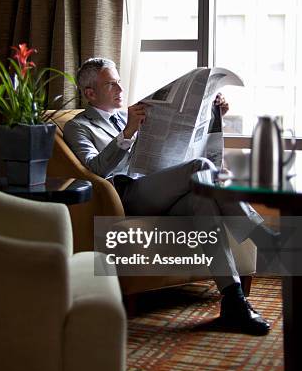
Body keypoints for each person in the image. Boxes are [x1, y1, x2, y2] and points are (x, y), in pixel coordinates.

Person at [64, 57, 275, 335]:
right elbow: (94, 169)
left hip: (159, 187)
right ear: (90, 93)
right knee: (201, 168)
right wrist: (128, 132)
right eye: (111, 84)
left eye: (119, 81)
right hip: (127, 195)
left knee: (203, 201)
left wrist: (213, 114)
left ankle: (233, 301)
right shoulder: (79, 126)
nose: (119, 88)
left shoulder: (137, 112)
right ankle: (261, 234)